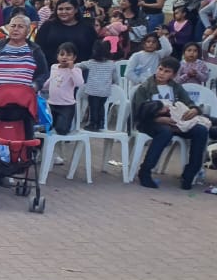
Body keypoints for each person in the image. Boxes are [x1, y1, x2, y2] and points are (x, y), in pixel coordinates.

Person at [132, 56, 208, 189]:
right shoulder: (145, 87)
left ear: (173, 75)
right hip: (150, 123)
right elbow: (139, 111)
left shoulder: (176, 88)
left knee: (201, 130)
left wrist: (194, 110)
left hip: (176, 122)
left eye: (167, 71)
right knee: (165, 132)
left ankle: (189, 174)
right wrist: (158, 119)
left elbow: (189, 103)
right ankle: (145, 171)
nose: (161, 73)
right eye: (160, 69)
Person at [43, 44, 84, 136]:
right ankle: (43, 148)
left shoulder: (76, 70)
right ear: (57, 56)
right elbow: (52, 80)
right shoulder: (54, 67)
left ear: (74, 57)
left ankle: (65, 129)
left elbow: (79, 83)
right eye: (62, 54)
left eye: (68, 55)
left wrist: (71, 69)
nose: (64, 57)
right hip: (52, 104)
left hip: (66, 106)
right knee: (45, 128)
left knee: (61, 129)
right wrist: (42, 86)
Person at [78, 40, 119, 131]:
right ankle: (101, 123)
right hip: (105, 91)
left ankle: (93, 124)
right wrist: (115, 83)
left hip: (93, 90)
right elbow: (115, 77)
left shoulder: (91, 62)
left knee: (93, 108)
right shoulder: (111, 64)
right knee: (101, 107)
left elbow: (80, 65)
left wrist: (72, 66)